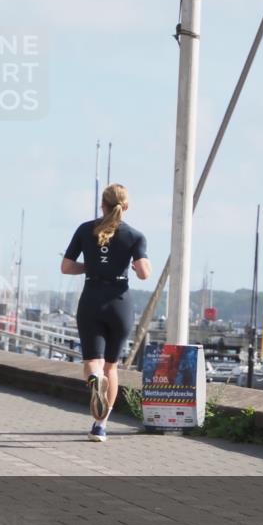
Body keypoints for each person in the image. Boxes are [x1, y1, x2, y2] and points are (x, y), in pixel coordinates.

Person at [61, 184, 151, 442]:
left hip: (91, 299)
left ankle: (94, 379)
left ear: (102, 205)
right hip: (119, 302)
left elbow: (66, 267)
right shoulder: (135, 235)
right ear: (126, 206)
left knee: (93, 361)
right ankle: (100, 426)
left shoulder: (84, 229)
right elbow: (144, 273)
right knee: (112, 366)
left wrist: (91, 266)